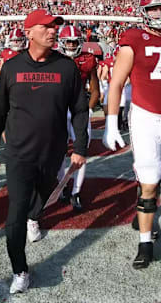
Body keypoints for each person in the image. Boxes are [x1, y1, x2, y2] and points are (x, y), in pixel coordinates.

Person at [0, 9, 89, 294]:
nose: (53, 31)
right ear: (29, 32)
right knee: (15, 215)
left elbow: (80, 110)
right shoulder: (11, 67)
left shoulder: (67, 68)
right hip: (18, 154)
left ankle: (36, 215)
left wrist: (80, 147)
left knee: (41, 199)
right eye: (46, 27)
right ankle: (20, 270)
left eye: (55, 27)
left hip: (53, 153)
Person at [102, 0, 161, 270]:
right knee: (149, 182)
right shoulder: (134, 38)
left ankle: (147, 220)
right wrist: (112, 122)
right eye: (154, 9)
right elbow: (116, 84)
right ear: (144, 12)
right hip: (146, 117)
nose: (159, 13)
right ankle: (145, 243)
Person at [57, 25, 100, 211]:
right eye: (68, 42)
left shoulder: (87, 59)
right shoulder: (54, 59)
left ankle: (75, 191)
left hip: (79, 109)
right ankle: (63, 186)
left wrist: (88, 110)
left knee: (81, 151)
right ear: (62, 42)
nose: (72, 45)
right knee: (57, 152)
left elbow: (95, 89)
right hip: (58, 109)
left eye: (75, 42)